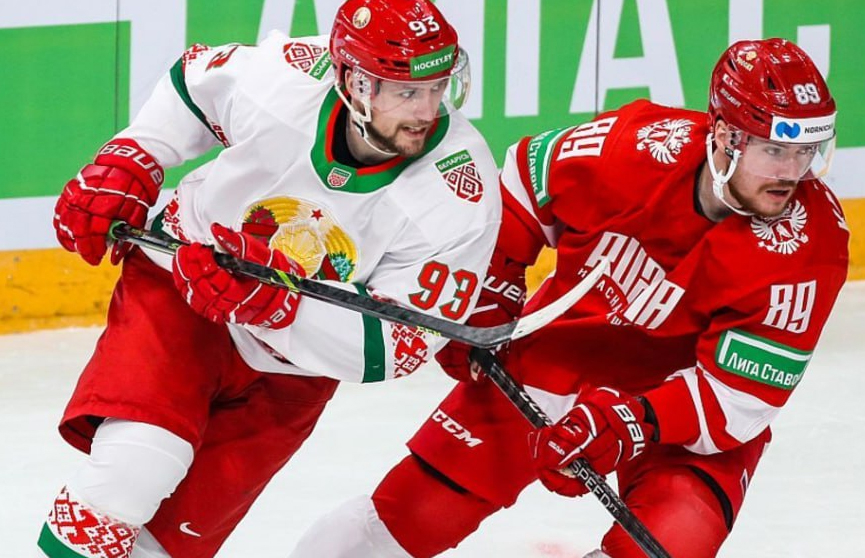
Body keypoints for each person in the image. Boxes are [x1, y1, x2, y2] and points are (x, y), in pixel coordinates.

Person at [290, 38, 849, 558]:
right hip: (560, 353)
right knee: (411, 514)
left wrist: (631, 421)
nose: (793, 173)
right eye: (775, 150)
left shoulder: (812, 243)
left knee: (674, 537)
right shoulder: (634, 148)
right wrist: (490, 289)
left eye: (806, 152)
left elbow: (739, 398)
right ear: (725, 134)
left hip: (682, 412)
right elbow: (522, 184)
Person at [39, 1, 501, 557]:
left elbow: (399, 344)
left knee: (163, 546)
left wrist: (280, 305)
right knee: (133, 470)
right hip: (182, 291)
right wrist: (136, 153)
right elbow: (193, 85)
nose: (427, 110)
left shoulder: (458, 191)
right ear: (353, 82)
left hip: (290, 372)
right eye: (406, 92)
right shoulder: (287, 77)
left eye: (438, 87)